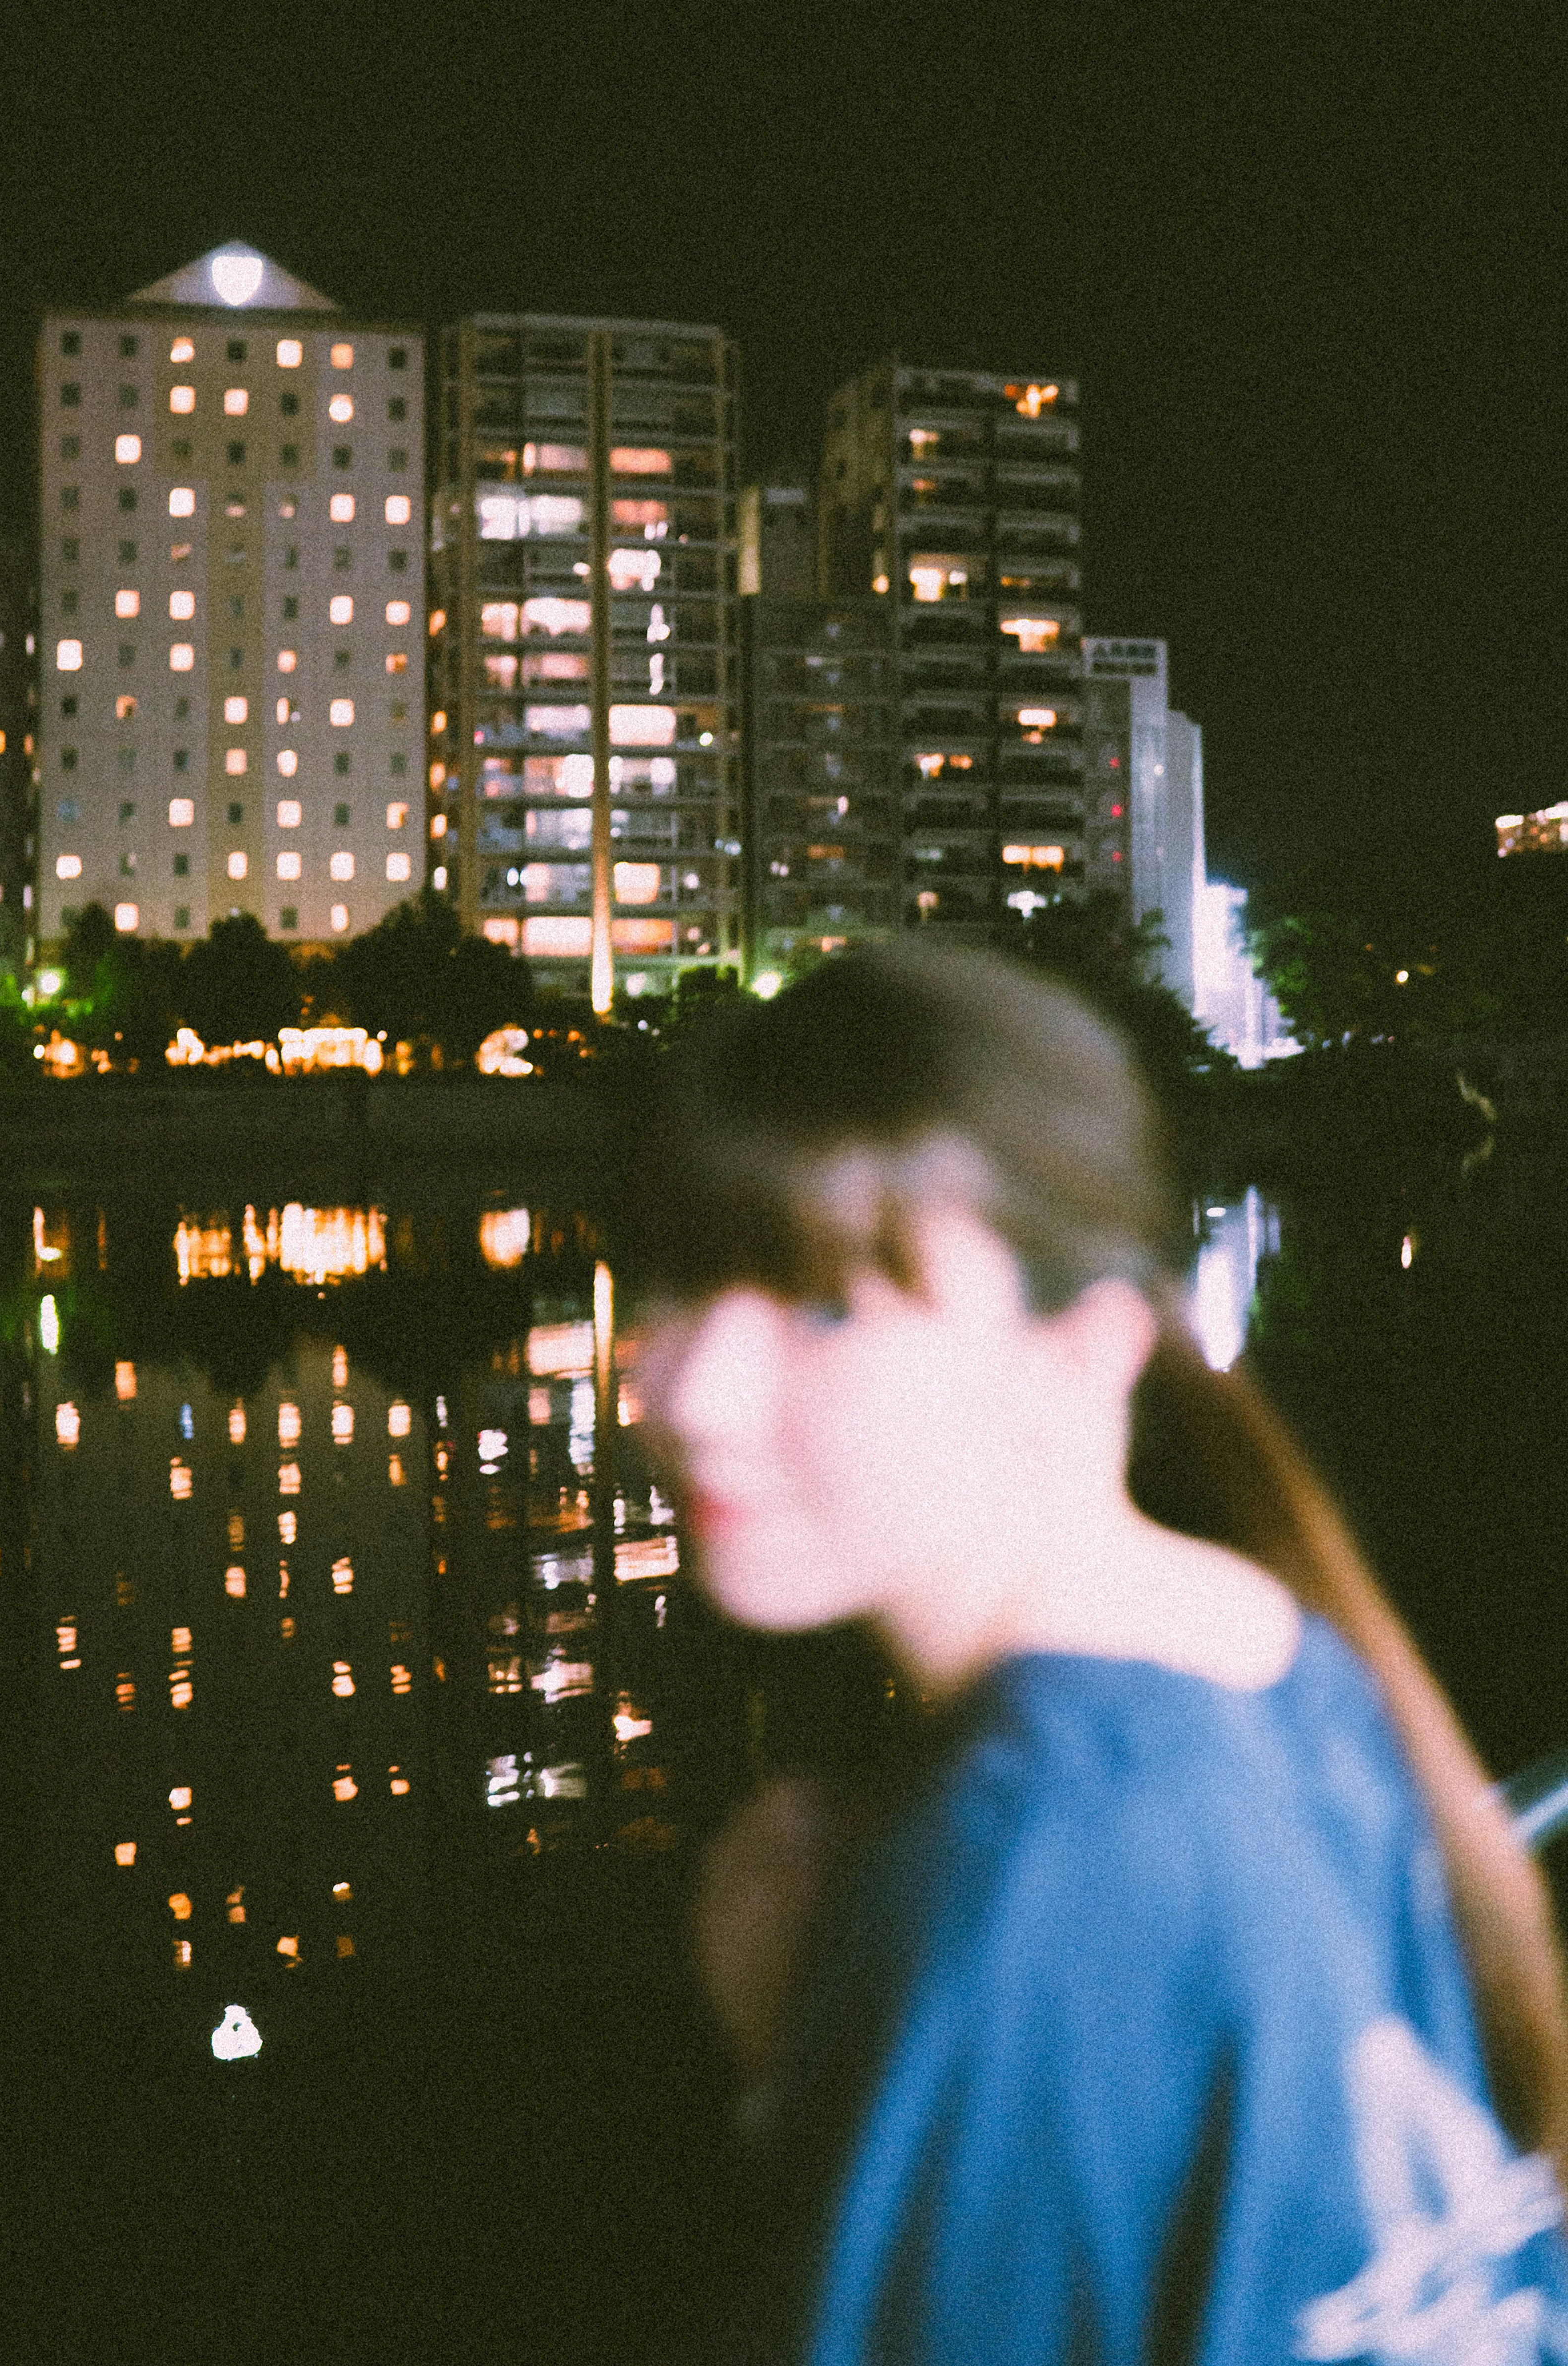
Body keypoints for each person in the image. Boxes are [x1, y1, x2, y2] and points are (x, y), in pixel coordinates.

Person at [630, 942, 1568, 2364]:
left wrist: (796, 2059)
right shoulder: (1274, 1655)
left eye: (827, 1309)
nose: (693, 1387)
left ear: (1080, 1357)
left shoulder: (1028, 1859)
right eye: (674, 1289)